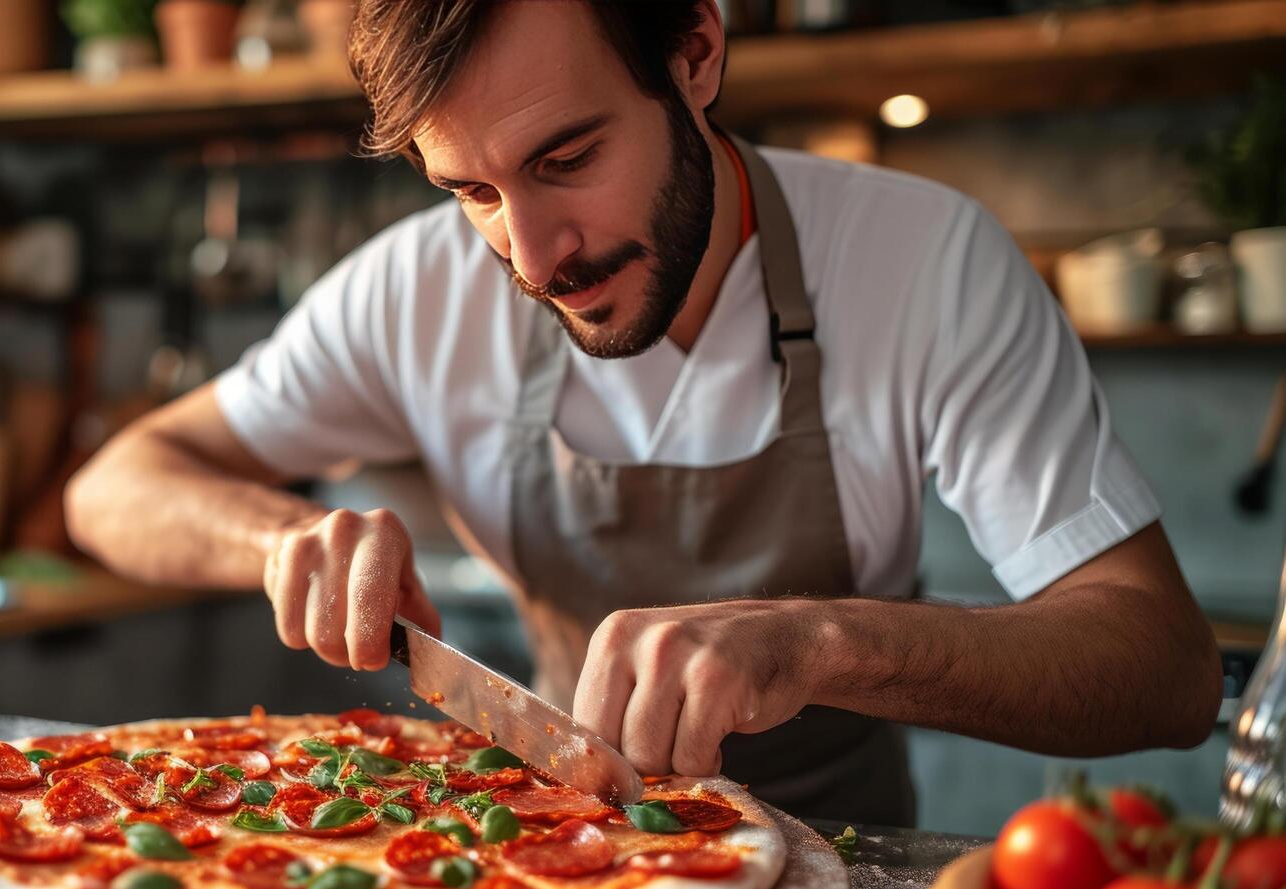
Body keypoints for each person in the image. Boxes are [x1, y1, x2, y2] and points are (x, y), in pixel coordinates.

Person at [67, 0, 1220, 824]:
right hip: (551, 870)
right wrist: (277, 537)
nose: (530, 255)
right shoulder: (414, 288)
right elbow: (112, 488)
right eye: (472, 189)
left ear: (696, 51)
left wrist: (819, 639)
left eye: (566, 158)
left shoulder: (924, 262)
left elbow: (1166, 668)